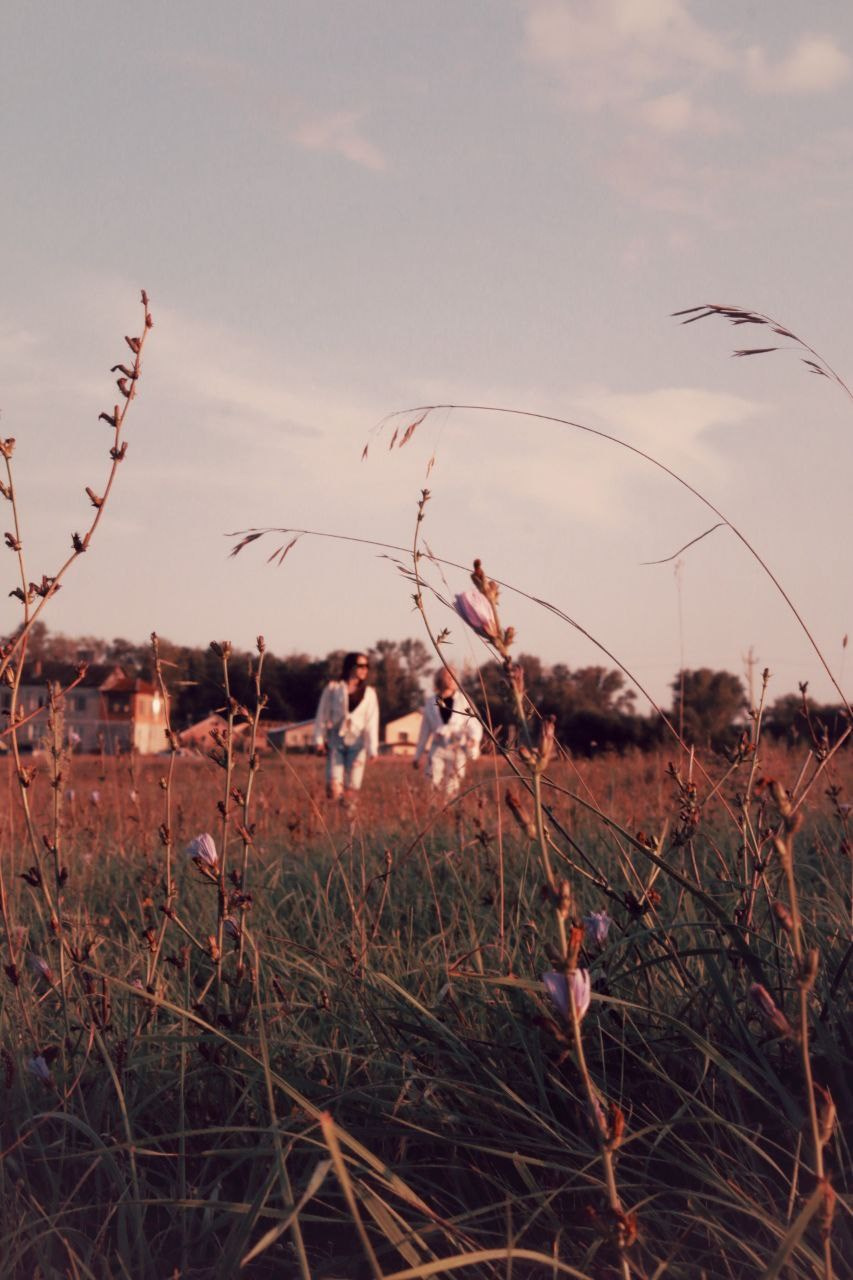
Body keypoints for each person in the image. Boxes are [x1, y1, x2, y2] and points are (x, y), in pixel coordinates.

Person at [313, 652, 380, 806]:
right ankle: (334, 821)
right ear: (350, 667)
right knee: (334, 787)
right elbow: (322, 715)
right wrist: (319, 740)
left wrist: (373, 749)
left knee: (352, 788)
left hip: (358, 743)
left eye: (367, 666)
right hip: (336, 741)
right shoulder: (333, 689)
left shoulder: (370, 694)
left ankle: (350, 824)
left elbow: (372, 722)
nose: (365, 669)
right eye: (361, 666)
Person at [413, 665, 482, 799]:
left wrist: (473, 739)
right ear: (439, 678)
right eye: (448, 675)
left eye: (453, 675)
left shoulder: (463, 700)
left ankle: (449, 811)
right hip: (437, 747)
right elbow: (424, 731)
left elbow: (473, 722)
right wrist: (418, 755)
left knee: (453, 784)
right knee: (432, 781)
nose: (451, 678)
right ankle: (434, 810)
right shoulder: (431, 701)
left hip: (457, 747)